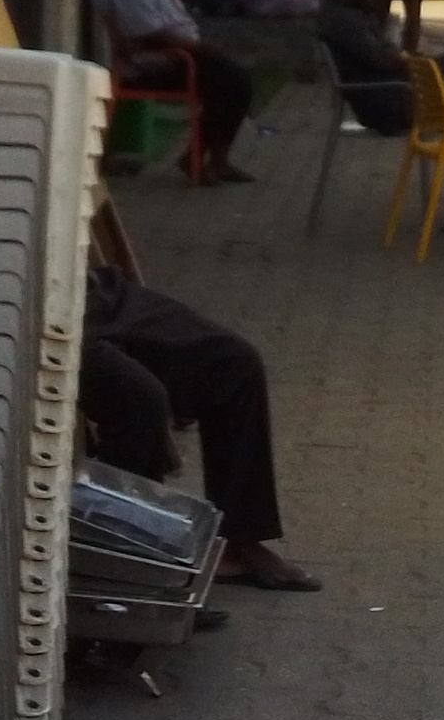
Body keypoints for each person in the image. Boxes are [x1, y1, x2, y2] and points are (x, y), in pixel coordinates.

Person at [83, 247, 318, 590]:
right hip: (44, 315)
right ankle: (134, 557)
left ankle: (239, 543)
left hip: (90, 290)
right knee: (142, 400)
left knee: (235, 362)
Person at [95, 0, 257, 180]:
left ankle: (215, 160)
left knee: (233, 77)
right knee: (231, 81)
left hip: (174, 53)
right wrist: (199, 48)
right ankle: (197, 158)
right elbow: (148, 34)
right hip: (152, 63)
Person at [317, 0, 414, 134]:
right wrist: (407, 60)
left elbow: (382, 49)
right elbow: (379, 57)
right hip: (388, 103)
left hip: (390, 92)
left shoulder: (348, 14)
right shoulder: (345, 20)